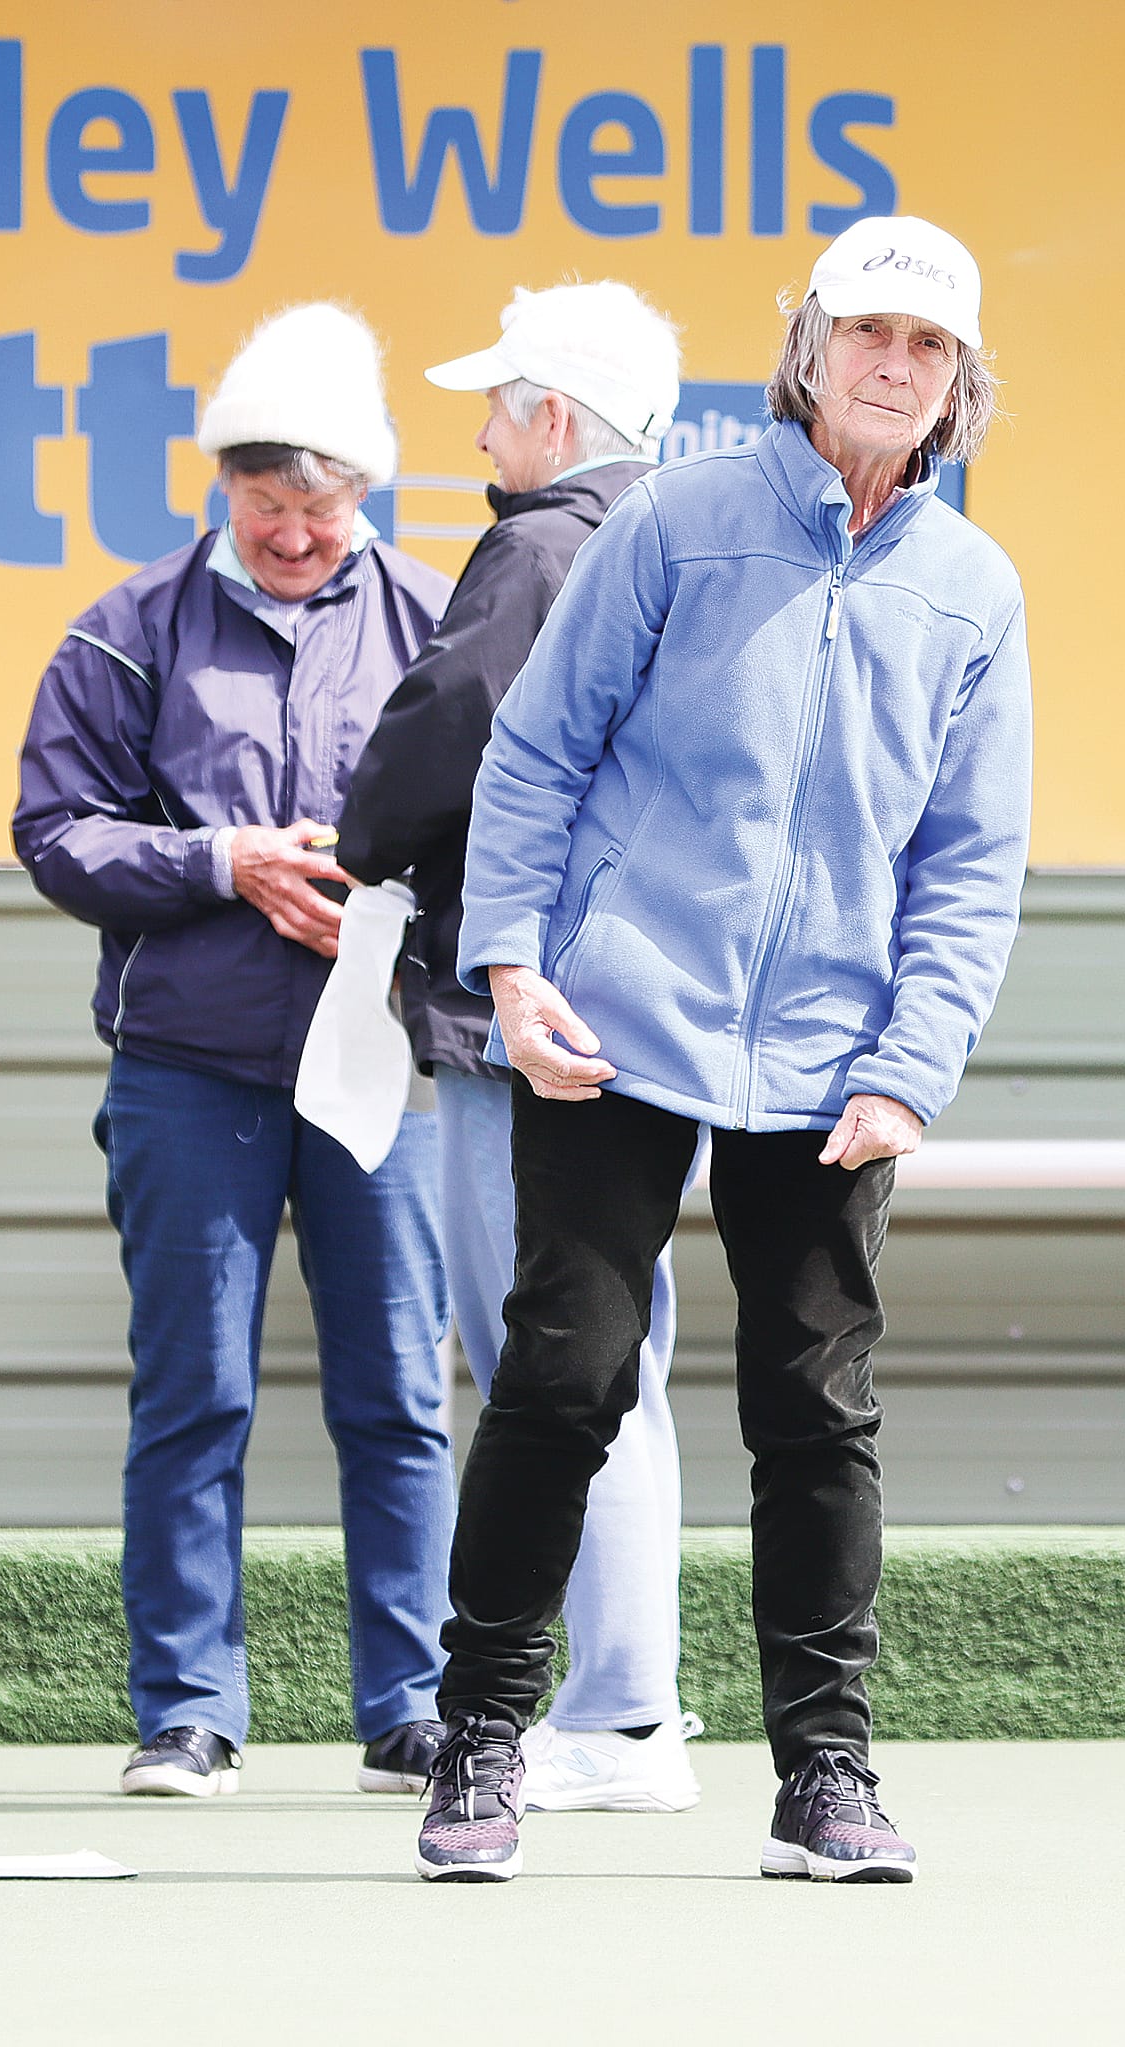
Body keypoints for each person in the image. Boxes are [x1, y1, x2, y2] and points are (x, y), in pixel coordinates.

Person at [413, 217, 1031, 1883]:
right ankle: (482, 1736)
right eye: (866, 333)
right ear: (807, 344)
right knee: (562, 1373)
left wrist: (912, 1061)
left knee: (814, 1412)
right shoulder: (681, 517)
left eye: (926, 346)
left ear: (957, 379)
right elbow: (536, 754)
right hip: (614, 1027)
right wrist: (514, 967)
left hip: (836, 1064)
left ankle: (824, 1776)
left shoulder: (972, 590)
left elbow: (969, 862)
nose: (892, 365)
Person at [15, 304, 457, 1799]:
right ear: (221, 489)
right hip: (185, 1073)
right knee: (190, 1395)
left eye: (321, 505)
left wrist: (394, 913)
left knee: (394, 1393)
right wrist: (221, 865)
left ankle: (410, 1702)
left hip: (376, 1067)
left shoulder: (443, 625)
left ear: (368, 493)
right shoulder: (124, 630)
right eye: (265, 503)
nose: (293, 533)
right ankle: (187, 1712)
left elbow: (510, 826)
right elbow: (52, 833)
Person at [334, 281, 705, 1815]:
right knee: (628, 1356)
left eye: (496, 401)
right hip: (649, 1006)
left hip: (524, 1011)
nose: (476, 426)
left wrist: (362, 841)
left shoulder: (544, 540)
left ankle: (619, 1719)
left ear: (556, 416)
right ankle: (630, 1703)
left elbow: (437, 740)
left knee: (549, 1360)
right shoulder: (691, 540)